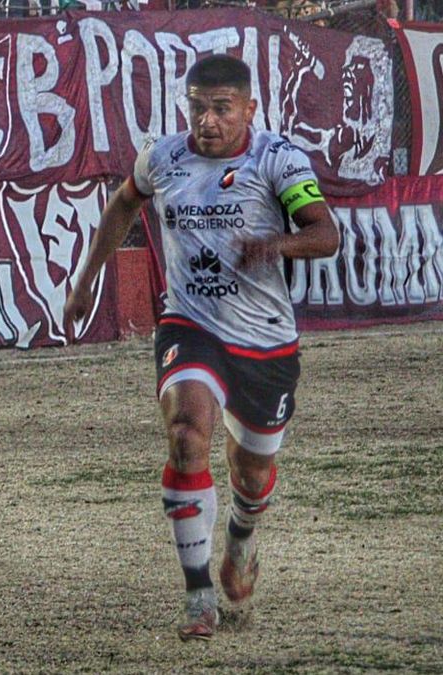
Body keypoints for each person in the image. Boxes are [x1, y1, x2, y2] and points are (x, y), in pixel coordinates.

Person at [63, 54, 340, 641]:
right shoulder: (163, 158)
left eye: (221, 108)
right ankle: (198, 596)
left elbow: (325, 233)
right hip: (190, 325)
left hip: (266, 343)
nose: (207, 121)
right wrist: (87, 279)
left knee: (253, 469)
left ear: (248, 109)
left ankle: (240, 541)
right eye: (197, 108)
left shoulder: (278, 159)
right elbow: (123, 205)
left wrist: (274, 246)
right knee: (188, 433)